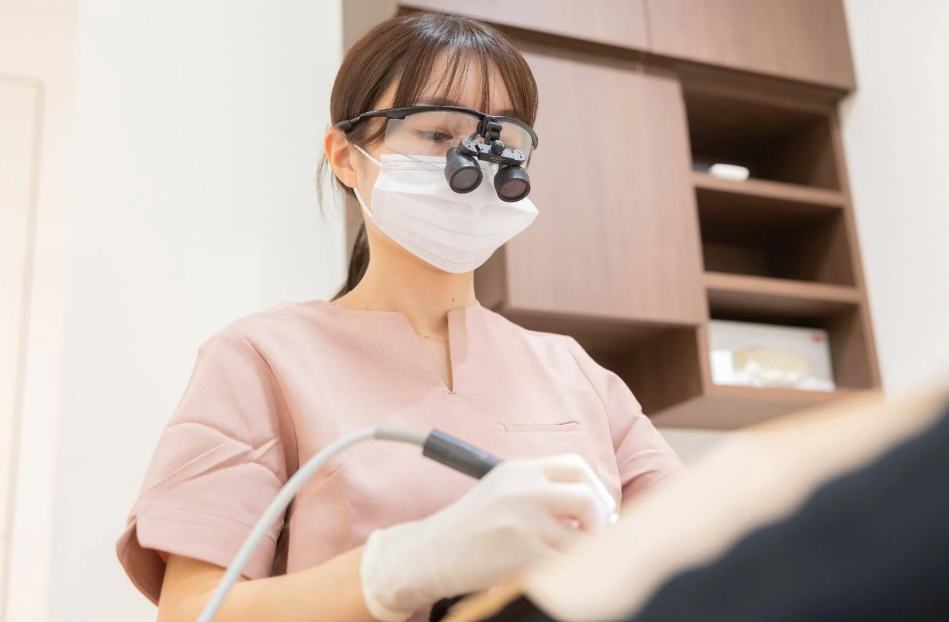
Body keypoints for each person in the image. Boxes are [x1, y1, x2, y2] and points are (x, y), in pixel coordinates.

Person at [116, 11, 683, 622]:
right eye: (439, 134)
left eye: (506, 140)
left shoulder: (574, 371)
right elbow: (194, 613)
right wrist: (401, 568)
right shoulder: (261, 359)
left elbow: (702, 539)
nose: (479, 161)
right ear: (346, 157)